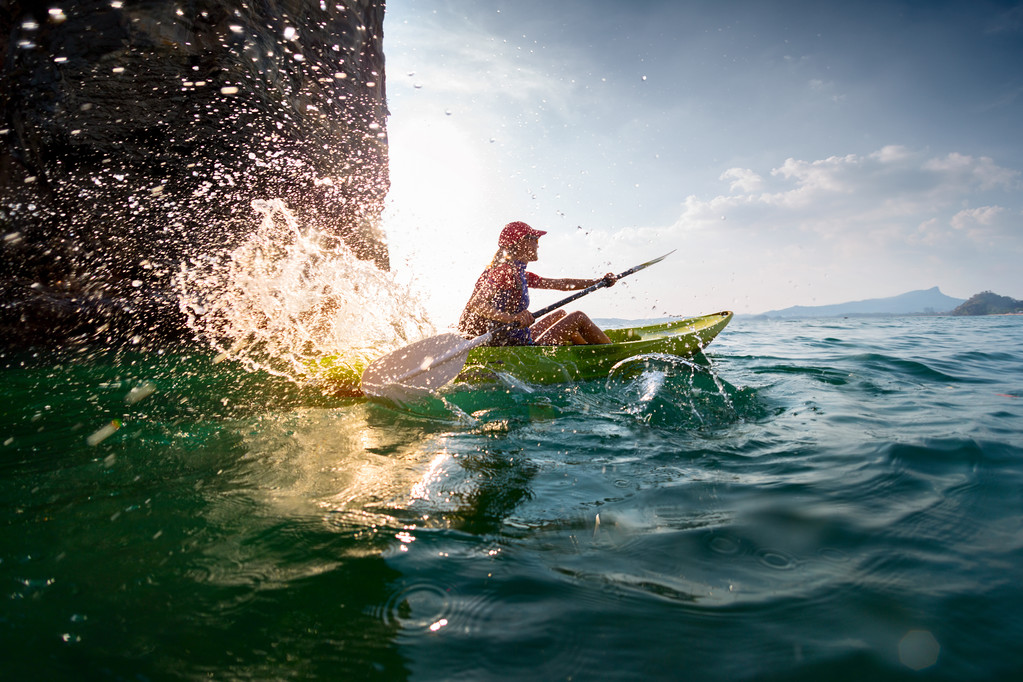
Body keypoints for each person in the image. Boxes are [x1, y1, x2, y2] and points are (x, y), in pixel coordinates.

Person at [458, 221, 617, 346]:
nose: (538, 244)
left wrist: (599, 282)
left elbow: (562, 284)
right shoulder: (505, 271)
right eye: (535, 239)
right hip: (506, 345)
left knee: (561, 314)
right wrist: (511, 318)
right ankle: (608, 353)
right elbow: (476, 304)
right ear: (522, 243)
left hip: (512, 338)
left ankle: (586, 350)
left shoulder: (518, 273)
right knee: (578, 317)